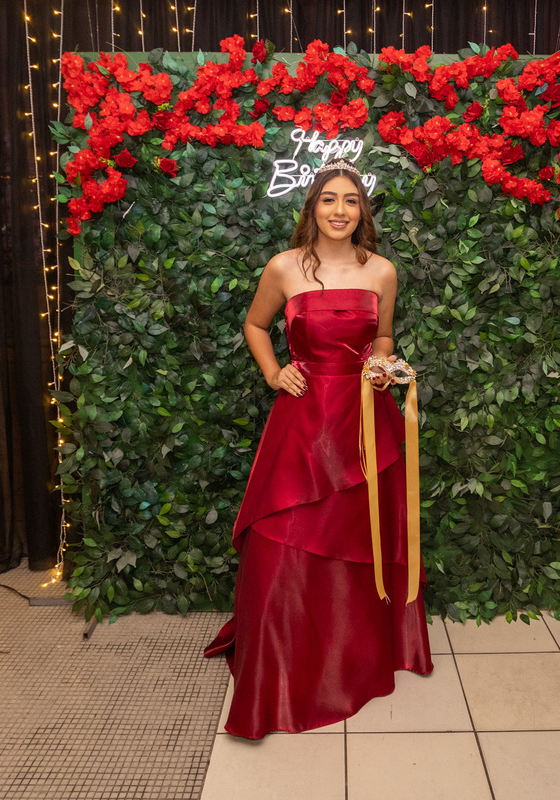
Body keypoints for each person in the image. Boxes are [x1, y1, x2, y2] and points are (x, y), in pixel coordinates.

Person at [203, 158, 433, 739]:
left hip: (363, 419)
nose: (339, 210)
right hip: (304, 420)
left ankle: (351, 652)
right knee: (288, 534)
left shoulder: (382, 271)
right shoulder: (283, 267)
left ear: (363, 211)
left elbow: (382, 336)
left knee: (357, 537)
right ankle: (282, 659)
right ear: (312, 207)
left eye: (350, 200)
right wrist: (273, 372)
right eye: (329, 199)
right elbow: (255, 325)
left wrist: (383, 363)